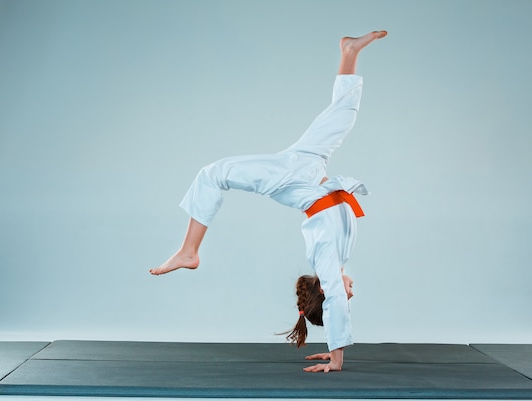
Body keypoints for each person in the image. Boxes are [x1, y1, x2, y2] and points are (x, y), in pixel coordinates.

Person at [150, 30, 388, 373]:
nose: (352, 293)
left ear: (323, 287)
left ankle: (189, 251)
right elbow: (333, 296)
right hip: (309, 167)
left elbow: (335, 300)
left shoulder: (325, 260)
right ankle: (349, 51)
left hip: (289, 179)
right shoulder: (341, 256)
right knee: (343, 115)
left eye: (346, 296)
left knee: (213, 173)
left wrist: (336, 358)